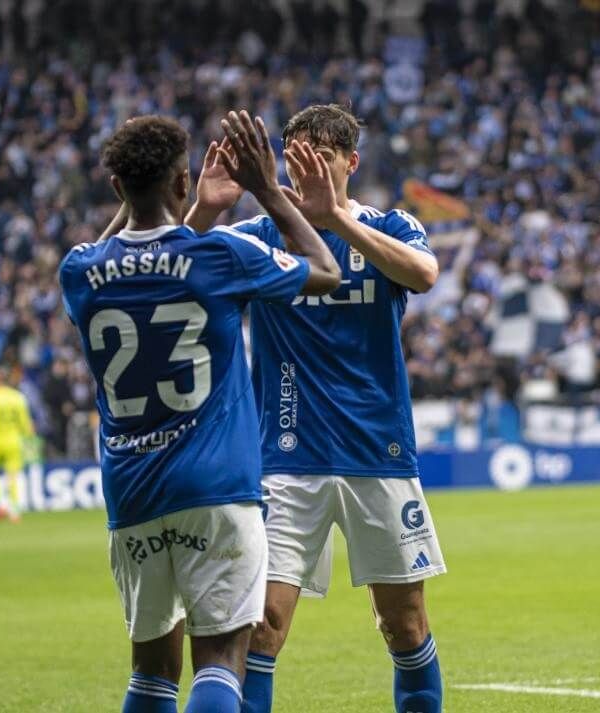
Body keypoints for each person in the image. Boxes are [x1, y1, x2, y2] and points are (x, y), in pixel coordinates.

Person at [59, 112, 341, 713]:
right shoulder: (218, 258)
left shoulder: (80, 272)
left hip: (132, 494)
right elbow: (325, 270)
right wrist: (266, 188)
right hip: (216, 488)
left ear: (115, 188)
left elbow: (124, 252)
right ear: (182, 184)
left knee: (152, 673)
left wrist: (154, 200)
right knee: (219, 661)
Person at [186, 103, 445, 713]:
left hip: (377, 452)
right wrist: (206, 208)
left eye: (320, 159)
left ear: (350, 163)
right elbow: (174, 260)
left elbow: (426, 274)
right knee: (264, 625)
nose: (305, 172)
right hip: (285, 456)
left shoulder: (393, 226)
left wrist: (339, 222)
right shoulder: (258, 236)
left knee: (403, 623)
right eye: (295, 158)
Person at [0, 367, 34, 522]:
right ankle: (15, 511)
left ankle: (0, 503)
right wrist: (28, 438)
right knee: (13, 475)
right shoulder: (18, 397)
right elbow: (26, 425)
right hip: (14, 441)